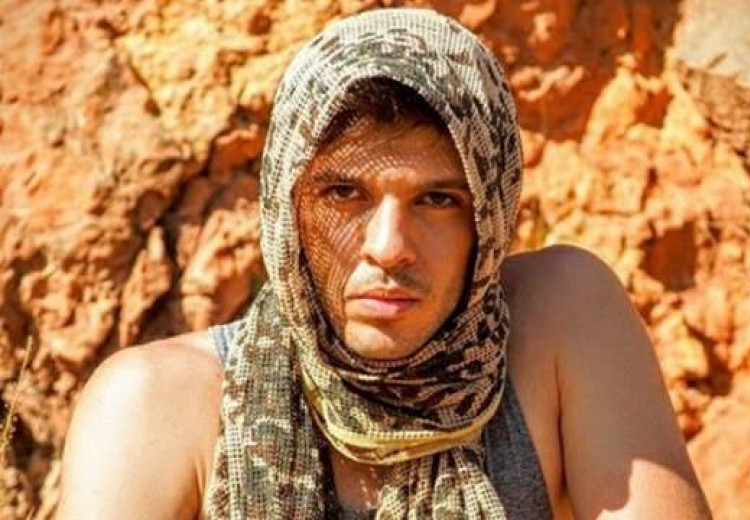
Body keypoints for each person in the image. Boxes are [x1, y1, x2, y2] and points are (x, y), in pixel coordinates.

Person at [56, 8, 711, 519]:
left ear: (488, 220)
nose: (390, 246)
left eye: (438, 200)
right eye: (345, 194)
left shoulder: (558, 322)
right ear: (287, 209)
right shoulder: (155, 404)